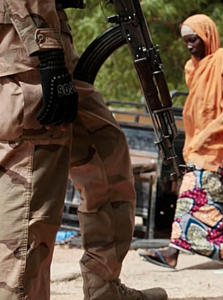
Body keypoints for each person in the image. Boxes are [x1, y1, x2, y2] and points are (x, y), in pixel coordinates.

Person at [0, 1, 168, 299]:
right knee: (31, 202)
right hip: (26, 54)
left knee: (106, 153)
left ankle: (104, 287)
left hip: (53, 49)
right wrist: (48, 54)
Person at [138, 14, 223, 268]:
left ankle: (172, 251)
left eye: (194, 40)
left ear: (207, 37)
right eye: (186, 42)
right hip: (205, 143)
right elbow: (199, 107)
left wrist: (208, 133)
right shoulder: (192, 68)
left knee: (198, 190)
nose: (189, 46)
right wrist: (197, 138)